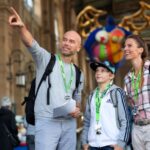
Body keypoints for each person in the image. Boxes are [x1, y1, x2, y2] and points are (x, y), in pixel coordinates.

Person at [8, 7, 84, 150]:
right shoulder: (47, 59)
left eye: (72, 41)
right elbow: (32, 44)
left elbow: (77, 98)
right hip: (47, 121)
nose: (67, 43)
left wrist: (77, 110)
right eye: (65, 40)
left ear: (78, 48)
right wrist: (22, 27)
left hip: (68, 123)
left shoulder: (79, 73)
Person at [81, 61, 130, 150]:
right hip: (93, 145)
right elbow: (87, 121)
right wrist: (84, 142)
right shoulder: (91, 95)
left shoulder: (117, 93)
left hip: (111, 145)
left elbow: (125, 120)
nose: (98, 73)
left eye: (103, 71)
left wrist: (121, 144)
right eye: (97, 71)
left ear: (111, 75)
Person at [124, 34, 150, 150]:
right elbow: (130, 104)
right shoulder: (127, 78)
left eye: (129, 46)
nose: (125, 49)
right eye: (125, 46)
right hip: (136, 129)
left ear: (140, 50)